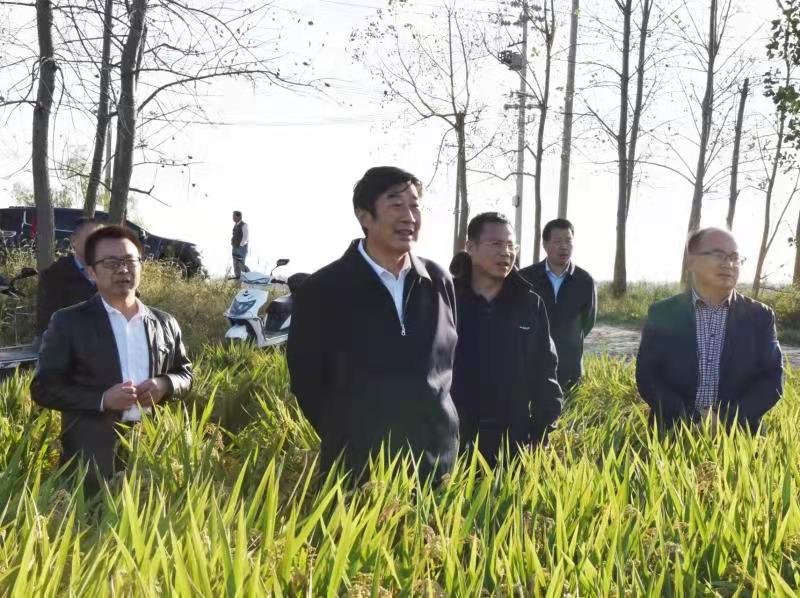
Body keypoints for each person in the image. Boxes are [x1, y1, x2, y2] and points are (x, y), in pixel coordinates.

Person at [287, 166, 459, 482]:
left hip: (436, 468)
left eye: (415, 205)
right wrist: (348, 435)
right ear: (364, 216)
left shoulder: (438, 281)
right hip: (357, 471)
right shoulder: (323, 289)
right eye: (396, 205)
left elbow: (449, 366)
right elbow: (307, 381)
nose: (409, 216)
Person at [31, 225, 193, 487]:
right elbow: (43, 388)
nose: (123, 269)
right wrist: (102, 399)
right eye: (111, 263)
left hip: (150, 455)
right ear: (92, 272)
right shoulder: (68, 322)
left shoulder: (165, 323)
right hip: (89, 460)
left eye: (130, 260)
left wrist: (165, 384)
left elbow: (185, 373)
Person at [636, 227, 783, 432]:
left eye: (734, 257)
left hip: (739, 435)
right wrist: (688, 419)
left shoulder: (760, 316)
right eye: (718, 255)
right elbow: (648, 376)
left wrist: (724, 420)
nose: (728, 264)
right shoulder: (663, 313)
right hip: (672, 432)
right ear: (691, 261)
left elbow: (772, 381)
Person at [451, 213, 562, 466]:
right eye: (496, 244)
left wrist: (542, 429)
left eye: (511, 245)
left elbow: (545, 369)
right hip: (454, 435)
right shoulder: (448, 299)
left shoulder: (529, 303)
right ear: (470, 247)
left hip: (513, 437)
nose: (506, 252)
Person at [519, 218, 596, 390]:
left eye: (568, 241)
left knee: (569, 405)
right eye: (558, 241)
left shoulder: (585, 281)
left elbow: (588, 322)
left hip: (569, 366)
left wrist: (568, 339)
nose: (564, 247)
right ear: (545, 245)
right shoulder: (526, 278)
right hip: (531, 364)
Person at [35, 217, 105, 336]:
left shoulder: (111, 273)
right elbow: (47, 323)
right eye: (92, 238)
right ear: (73, 241)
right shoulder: (54, 275)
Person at [231, 210, 250, 279]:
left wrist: (240, 245)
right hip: (235, 247)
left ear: (239, 217)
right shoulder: (235, 225)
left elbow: (245, 237)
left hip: (241, 248)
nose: (233, 218)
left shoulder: (244, 225)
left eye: (234, 216)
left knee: (241, 264)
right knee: (235, 264)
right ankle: (237, 278)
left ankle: (250, 275)